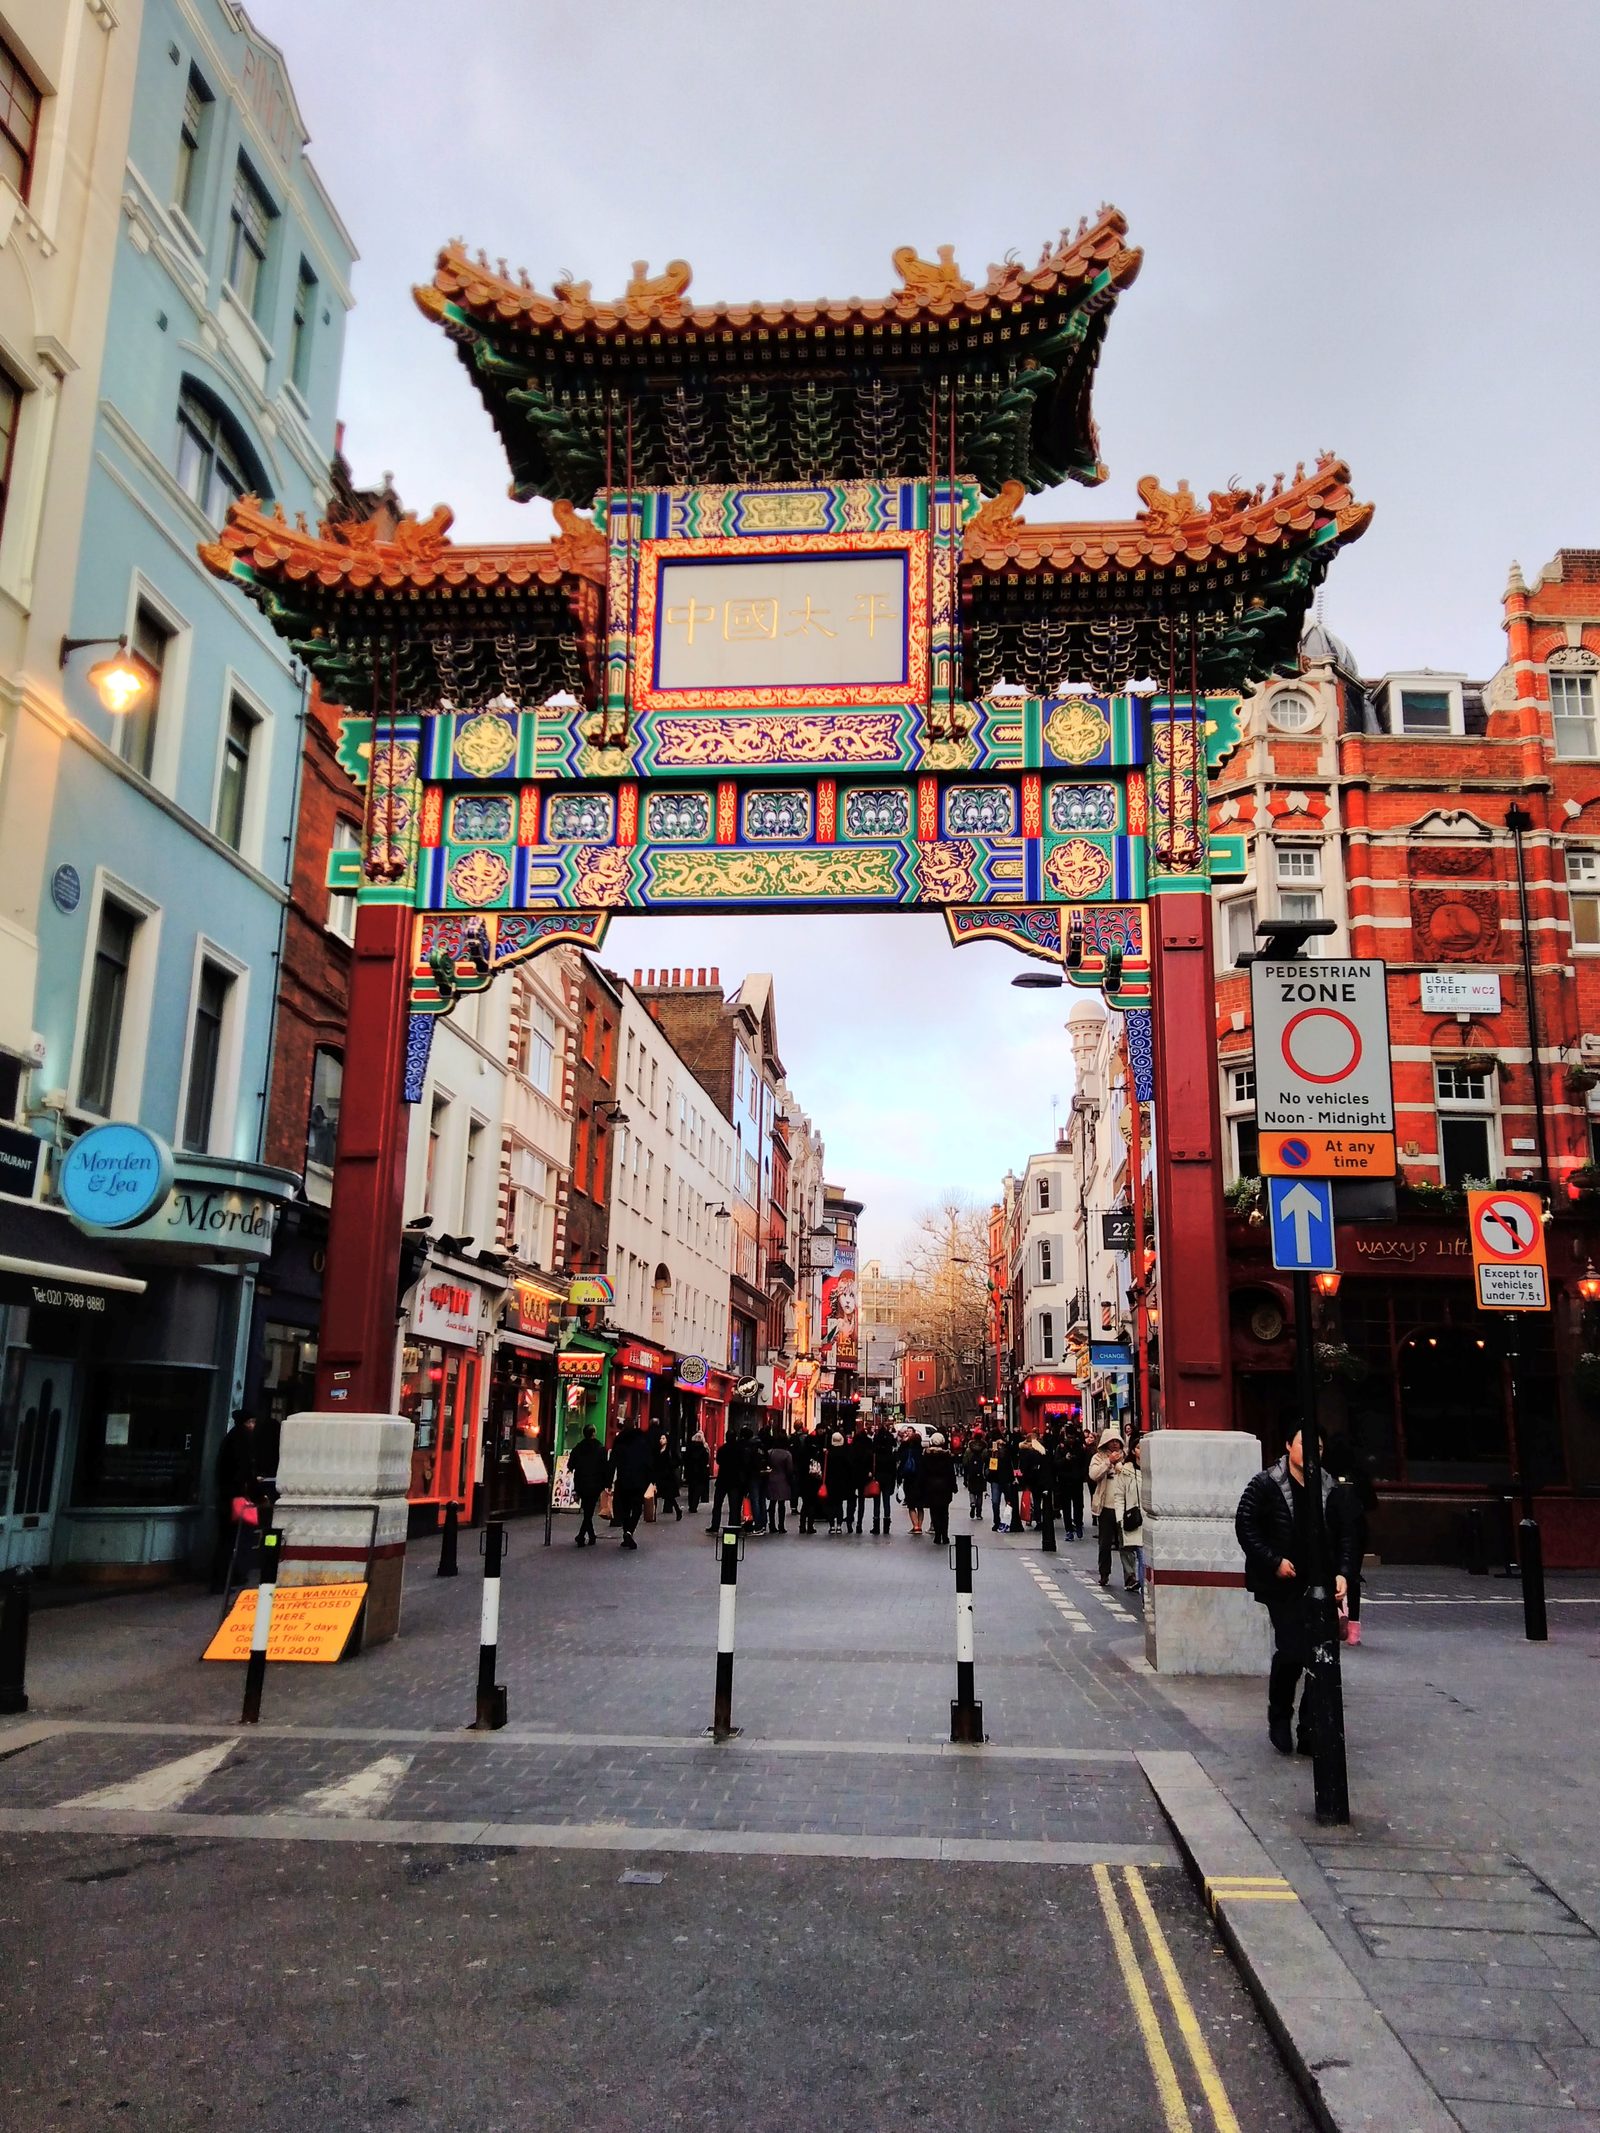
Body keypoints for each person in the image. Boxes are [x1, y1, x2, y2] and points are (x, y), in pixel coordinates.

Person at [1235, 1424, 1354, 1755]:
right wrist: (1274, 1561)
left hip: (1319, 1582)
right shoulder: (1266, 1483)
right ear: (1288, 1445)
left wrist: (1343, 1573)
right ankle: (1279, 1715)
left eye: (1317, 1446)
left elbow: (1346, 1534)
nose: (1312, 1452)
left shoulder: (1331, 1487)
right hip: (1282, 1583)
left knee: (1321, 1656)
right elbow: (1245, 1526)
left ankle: (1309, 1727)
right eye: (1305, 1445)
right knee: (1292, 1650)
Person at [1325, 1436, 1374, 1647]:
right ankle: (1354, 1628)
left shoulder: (1325, 1475)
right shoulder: (1358, 1474)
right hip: (1357, 1529)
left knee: (1331, 1572)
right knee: (1352, 1576)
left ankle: (1336, 1613)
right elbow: (1371, 1502)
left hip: (1332, 1528)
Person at [211, 1409, 261, 1592]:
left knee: (227, 1540)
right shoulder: (243, 1440)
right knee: (234, 1540)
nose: (253, 1426)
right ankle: (226, 1579)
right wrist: (257, 1494)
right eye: (251, 1422)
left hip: (225, 1497)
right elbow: (245, 1471)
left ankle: (224, 1578)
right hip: (236, 1498)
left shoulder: (230, 1438)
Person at [1089, 1426, 1128, 1586]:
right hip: (1105, 1506)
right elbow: (1093, 1475)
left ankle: (1130, 1575)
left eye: (1117, 1441)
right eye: (1111, 1442)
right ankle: (1104, 1572)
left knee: (1126, 1544)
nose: (1114, 1445)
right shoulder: (1098, 1458)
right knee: (1105, 1543)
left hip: (1124, 1506)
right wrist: (1108, 1462)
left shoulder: (1126, 1457)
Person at [609, 1418, 654, 1549]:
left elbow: (613, 1462)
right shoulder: (642, 1440)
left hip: (623, 1479)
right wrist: (651, 1479)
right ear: (635, 1425)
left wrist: (608, 1480)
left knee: (624, 1507)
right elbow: (648, 1461)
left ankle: (626, 1531)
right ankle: (629, 1531)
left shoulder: (619, 1440)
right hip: (639, 1480)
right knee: (636, 1507)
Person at [569, 1423, 609, 1547]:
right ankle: (582, 1536)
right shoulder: (600, 1448)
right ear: (593, 1433)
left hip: (581, 1482)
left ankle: (590, 1536)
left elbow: (571, 1465)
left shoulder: (578, 1448)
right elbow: (605, 1467)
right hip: (595, 1483)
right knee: (589, 1511)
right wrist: (606, 1483)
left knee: (587, 1509)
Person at [922, 1432, 958, 1546]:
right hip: (945, 1487)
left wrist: (921, 1486)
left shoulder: (927, 1456)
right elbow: (951, 1473)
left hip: (930, 1487)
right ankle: (945, 1535)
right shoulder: (946, 1456)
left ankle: (937, 1535)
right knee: (944, 1512)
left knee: (934, 1511)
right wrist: (954, 1486)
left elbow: (923, 1474)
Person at [707, 1430, 746, 1534]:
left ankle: (715, 1526)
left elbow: (718, 1461)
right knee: (734, 1506)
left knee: (717, 1504)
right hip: (734, 1480)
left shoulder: (722, 1449)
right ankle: (733, 1526)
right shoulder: (739, 1450)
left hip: (722, 1480)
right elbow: (743, 1463)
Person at [1061, 1422, 1089, 1542]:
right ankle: (1068, 1529)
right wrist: (1064, 1460)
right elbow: (1056, 1463)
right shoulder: (1061, 1448)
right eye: (1069, 1437)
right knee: (1066, 1507)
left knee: (1078, 1505)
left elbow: (1085, 1463)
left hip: (1077, 1480)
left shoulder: (1080, 1448)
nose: (1070, 1440)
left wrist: (1081, 1475)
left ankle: (1078, 1525)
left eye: (1072, 1437)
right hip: (1065, 1480)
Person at [870, 1420, 898, 1535]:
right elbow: (894, 1470)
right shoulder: (891, 1456)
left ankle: (876, 1525)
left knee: (876, 1503)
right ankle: (887, 1525)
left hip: (877, 1479)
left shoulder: (875, 1456)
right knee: (887, 1502)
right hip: (887, 1479)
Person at [765, 1433, 795, 1535]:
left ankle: (771, 1524)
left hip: (771, 1479)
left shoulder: (770, 1452)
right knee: (781, 1504)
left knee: (772, 1503)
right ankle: (781, 1526)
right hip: (783, 1480)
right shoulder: (787, 1454)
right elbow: (790, 1469)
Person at [652, 1430, 682, 1522]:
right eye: (660, 1438)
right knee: (655, 1495)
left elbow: (678, 1461)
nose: (661, 1440)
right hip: (659, 1475)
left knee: (669, 1496)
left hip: (668, 1476)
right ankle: (653, 1515)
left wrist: (671, 1466)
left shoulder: (670, 1451)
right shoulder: (658, 1450)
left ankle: (678, 1510)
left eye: (663, 1438)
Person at [684, 1428, 711, 1516]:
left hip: (691, 1472)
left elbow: (686, 1460)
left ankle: (690, 1504)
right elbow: (706, 1461)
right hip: (701, 1472)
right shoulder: (703, 1450)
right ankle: (694, 1506)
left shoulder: (689, 1449)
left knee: (691, 1489)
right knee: (698, 1489)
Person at [962, 1434, 988, 1522]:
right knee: (980, 1493)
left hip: (971, 1473)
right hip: (981, 1473)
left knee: (972, 1491)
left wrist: (965, 1477)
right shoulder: (984, 1449)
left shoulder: (969, 1450)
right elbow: (987, 1461)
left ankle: (972, 1503)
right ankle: (979, 1513)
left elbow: (965, 1463)